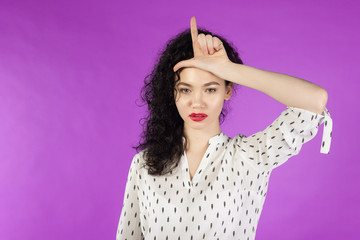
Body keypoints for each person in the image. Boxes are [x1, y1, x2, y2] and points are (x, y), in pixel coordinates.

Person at [116, 16, 333, 240]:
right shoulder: (144, 164)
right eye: (185, 89)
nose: (197, 102)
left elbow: (315, 100)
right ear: (172, 93)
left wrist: (229, 69)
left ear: (227, 91)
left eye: (210, 89)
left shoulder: (250, 157)